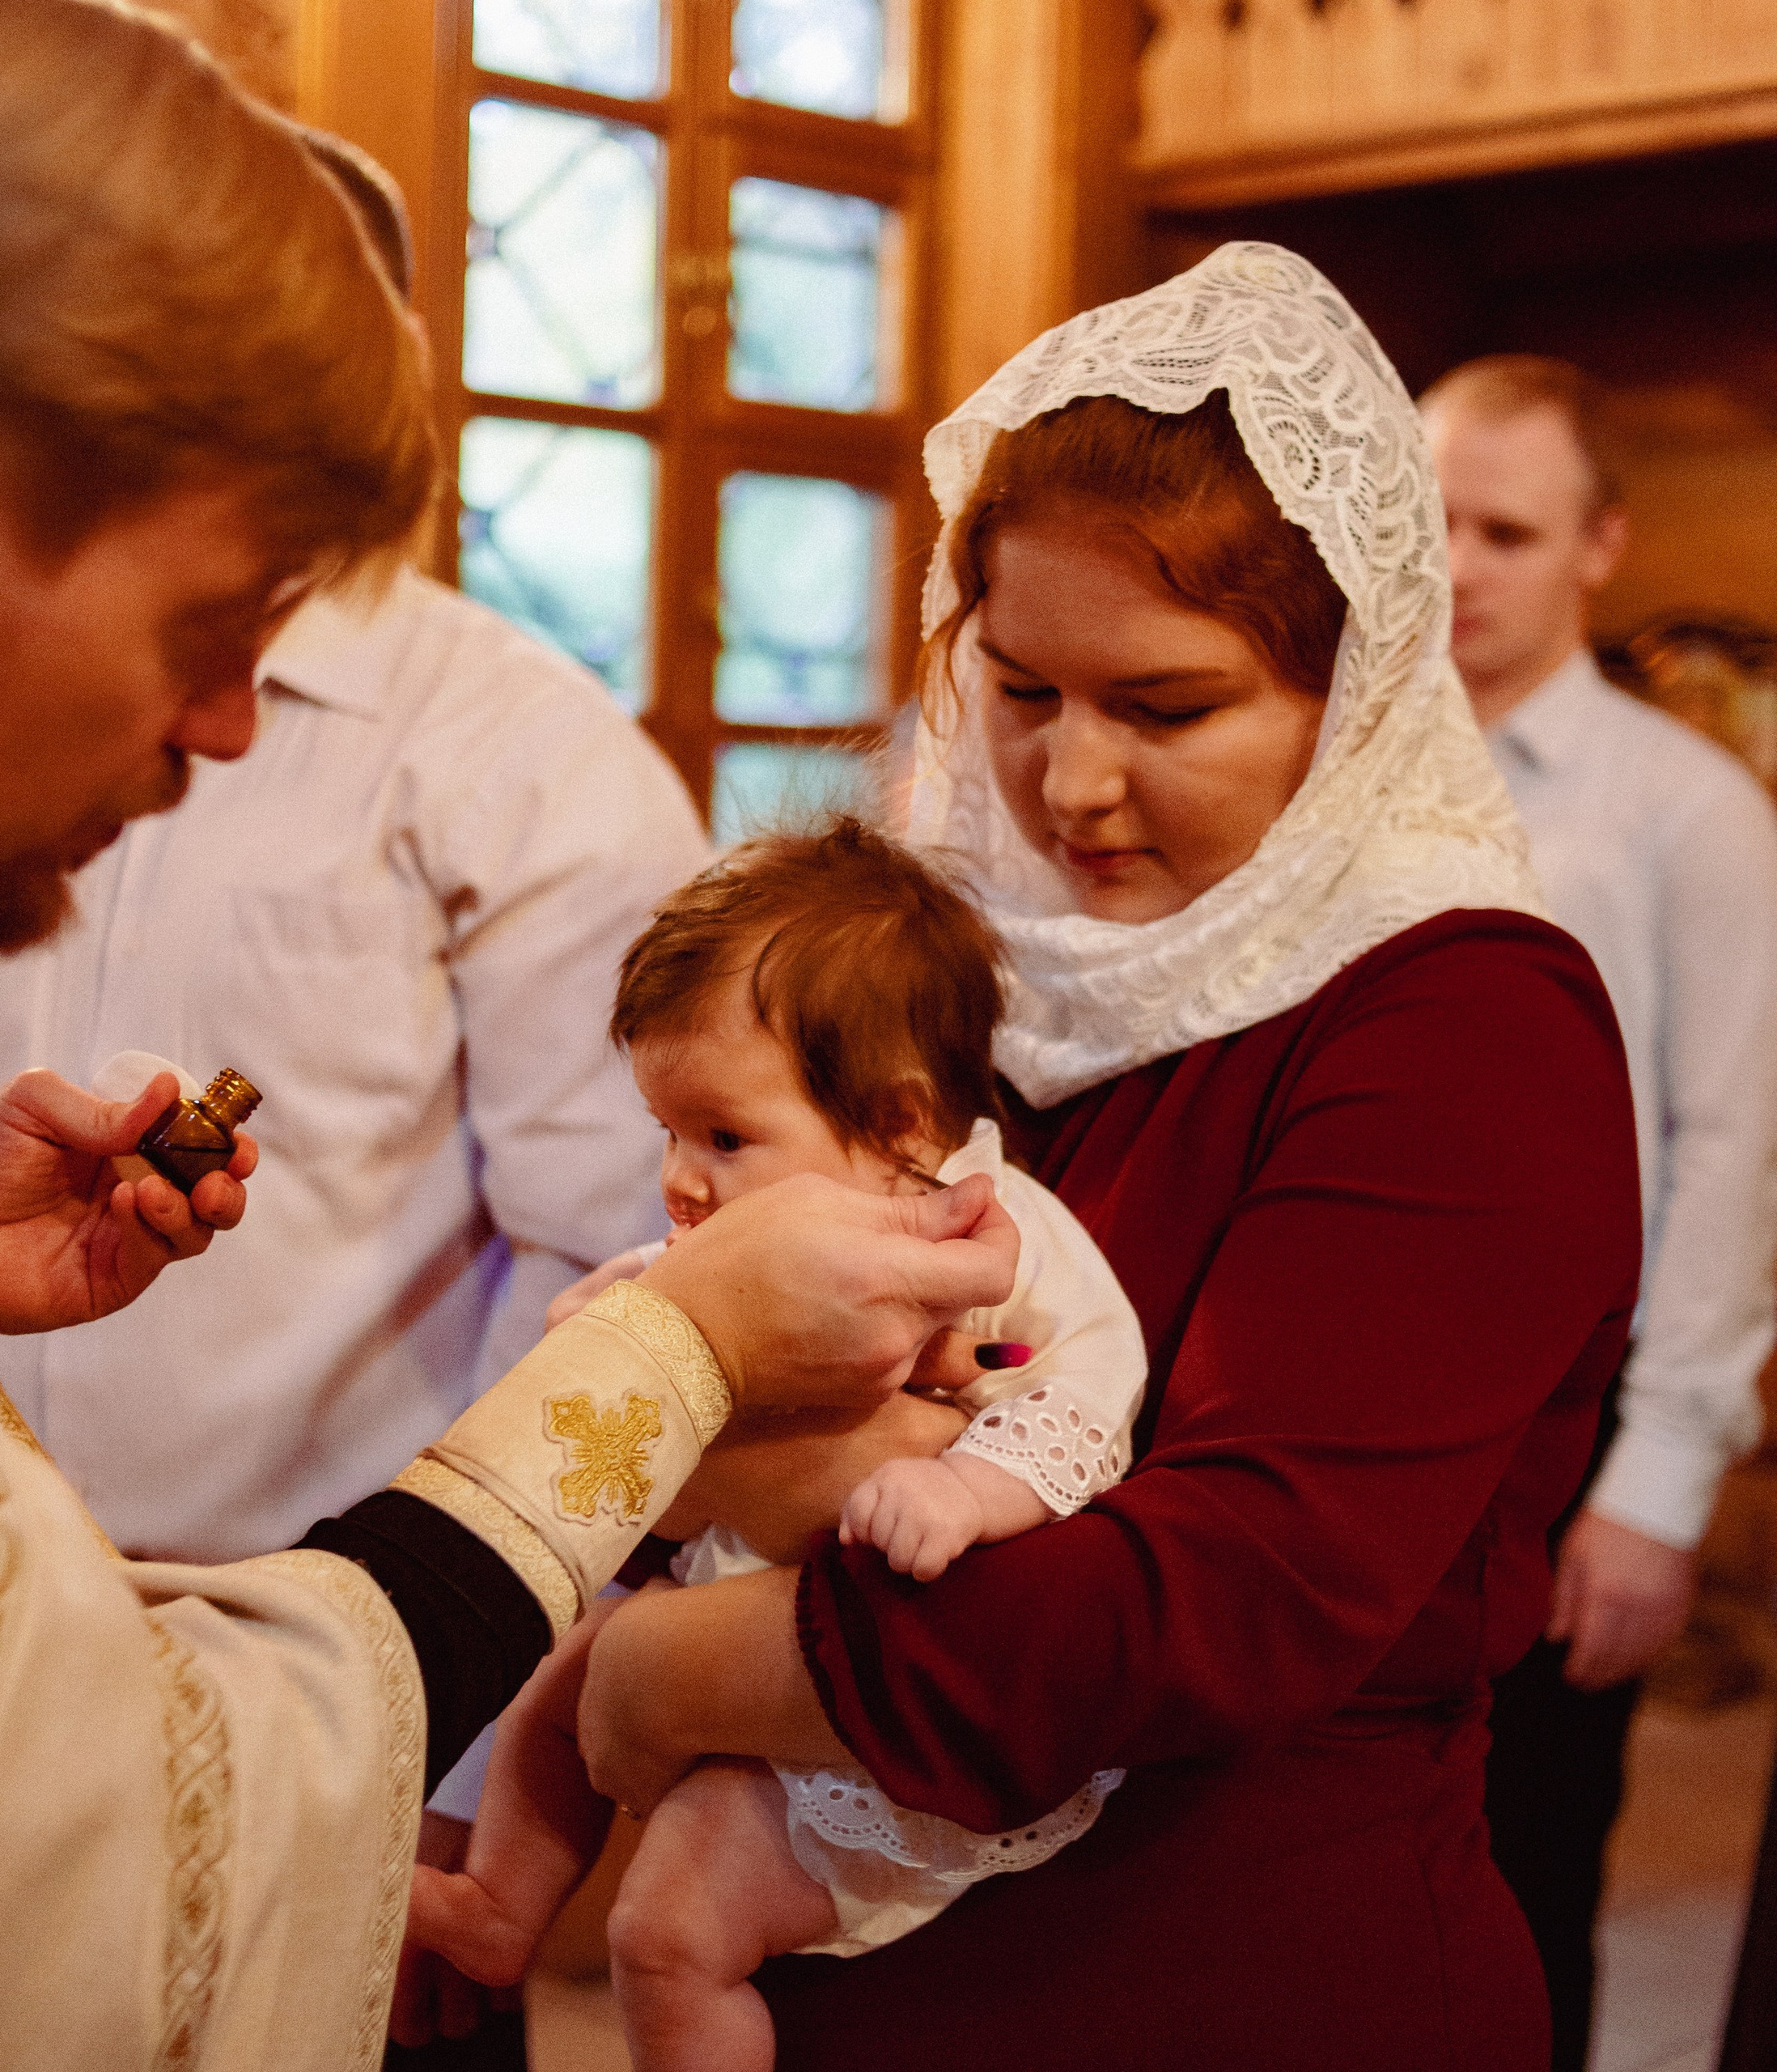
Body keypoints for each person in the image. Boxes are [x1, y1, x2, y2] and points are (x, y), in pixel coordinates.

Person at [0, 6, 1020, 2067]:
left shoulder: (506, 754)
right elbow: (27, 1835)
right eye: (201, 626)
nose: (234, 725)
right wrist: (677, 1348)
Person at [528, 243, 1645, 2072]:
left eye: (1166, 707)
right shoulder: (963, 964)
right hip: (855, 1957)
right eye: (1022, 687)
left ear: (1353, 689)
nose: (1070, 784)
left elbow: (1222, 1601)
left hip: (1227, 1972)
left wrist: (675, 1667)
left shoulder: (1462, 1018)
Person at [0, 129, 708, 2064]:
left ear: (372, 364)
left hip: (352, 1678)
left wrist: (450, 1780)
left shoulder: (520, 759)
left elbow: (610, 1279)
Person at [406, 821, 1147, 2070]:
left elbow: (1089, 1379)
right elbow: (659, 1329)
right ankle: (498, 1905)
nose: (680, 1179)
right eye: (666, 1131)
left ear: (901, 1125)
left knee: (668, 1935)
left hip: (878, 1677)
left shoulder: (988, 1237)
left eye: (723, 1137)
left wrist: (972, 1485)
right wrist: (616, 1331)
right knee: (560, 1690)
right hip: (731, 1620)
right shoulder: (740, 1234)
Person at [1422, 355, 1777, 2071]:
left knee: (1519, 1881)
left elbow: (1731, 1148)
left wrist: (1656, 1487)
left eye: (1503, 530)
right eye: (1429, 520)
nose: (1456, 566)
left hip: (1572, 1404)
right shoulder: (1311, 758)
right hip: (1351, 1370)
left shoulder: (1688, 811)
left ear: (1600, 544)